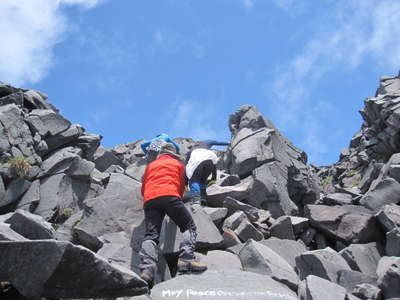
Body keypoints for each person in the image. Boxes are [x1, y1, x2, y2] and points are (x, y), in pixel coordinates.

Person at [138, 143, 207, 288]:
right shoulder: (178, 163)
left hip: (150, 199)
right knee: (189, 227)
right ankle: (186, 259)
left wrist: (150, 197)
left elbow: (143, 186)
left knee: (151, 235)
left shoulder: (151, 165)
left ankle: (147, 270)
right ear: (173, 153)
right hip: (170, 195)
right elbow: (181, 186)